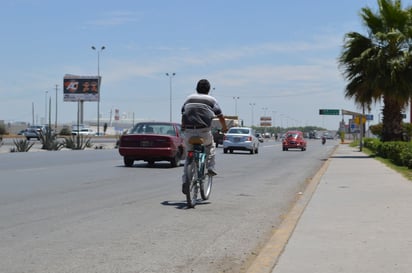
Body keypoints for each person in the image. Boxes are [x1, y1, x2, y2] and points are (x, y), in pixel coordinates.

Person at [181, 79, 227, 188]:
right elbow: (220, 116)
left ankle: (185, 181)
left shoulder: (189, 98)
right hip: (204, 132)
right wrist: (224, 128)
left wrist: (183, 127)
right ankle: (210, 167)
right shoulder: (211, 100)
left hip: (188, 132)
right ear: (209, 90)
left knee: (189, 156)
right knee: (210, 146)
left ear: (196, 89)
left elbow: (183, 113)